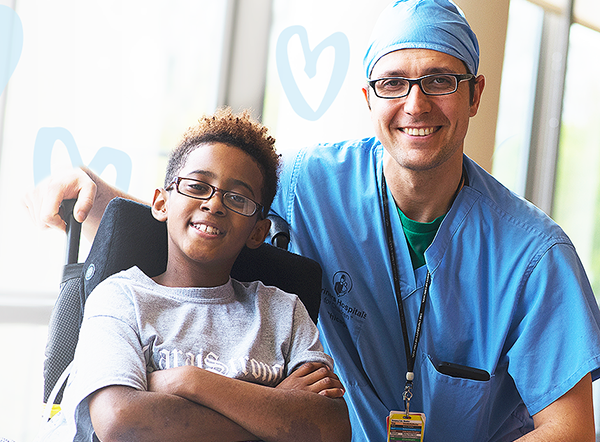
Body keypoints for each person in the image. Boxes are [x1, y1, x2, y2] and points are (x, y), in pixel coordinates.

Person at [25, 1, 600, 440]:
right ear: (369, 97)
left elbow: (571, 431)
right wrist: (100, 201)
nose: (416, 104)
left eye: (441, 81)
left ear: (475, 95)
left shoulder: (534, 256)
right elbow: (206, 219)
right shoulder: (310, 183)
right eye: (394, 83)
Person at [34, 107, 351, 442]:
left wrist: (188, 381)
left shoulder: (283, 310)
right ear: (161, 203)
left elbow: (330, 428)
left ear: (258, 231)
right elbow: (122, 421)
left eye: (237, 198)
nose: (214, 205)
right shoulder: (122, 298)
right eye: (198, 186)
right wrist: (274, 410)